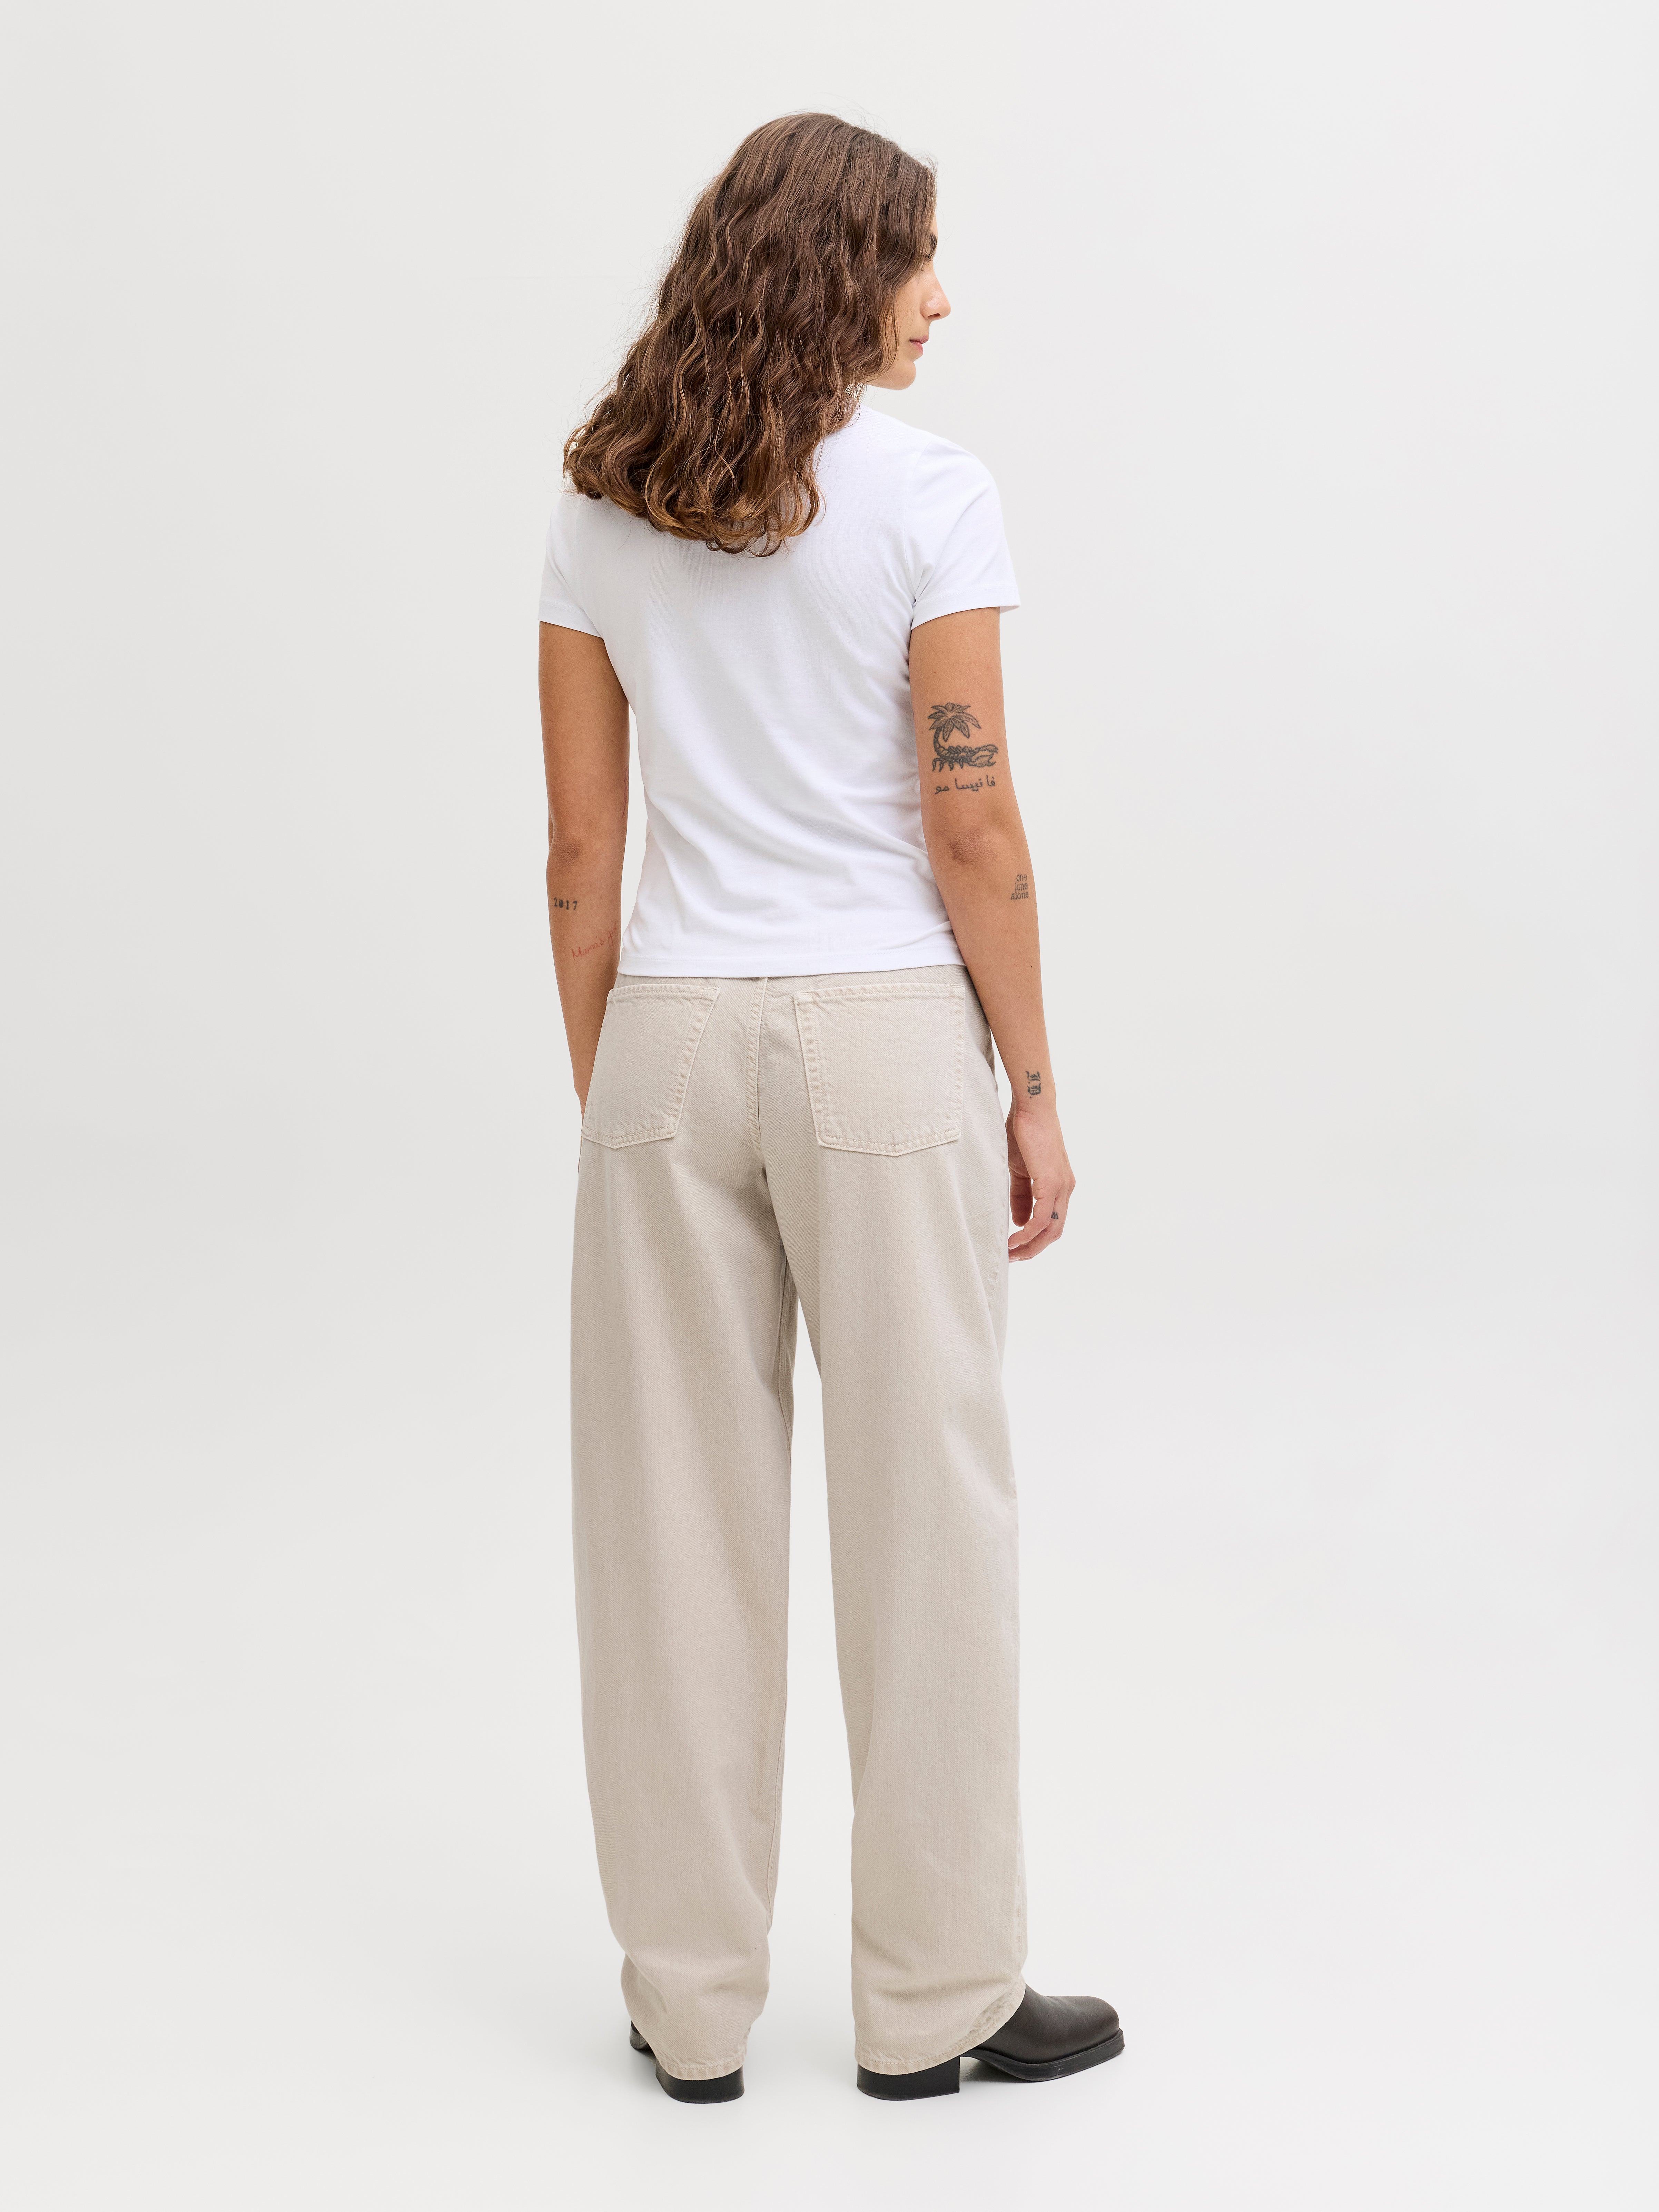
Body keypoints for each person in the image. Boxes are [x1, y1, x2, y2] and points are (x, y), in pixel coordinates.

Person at [537, 112, 1120, 2104]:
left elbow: (581, 856)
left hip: (666, 1035)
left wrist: (618, 1083)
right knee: (927, 1518)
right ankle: (936, 2006)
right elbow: (975, 823)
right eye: (917, 259)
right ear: (839, 267)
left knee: (667, 1533)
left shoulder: (603, 504)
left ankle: (691, 2007)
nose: (941, 299)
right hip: (884, 1042)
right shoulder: (932, 494)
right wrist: (1032, 1082)